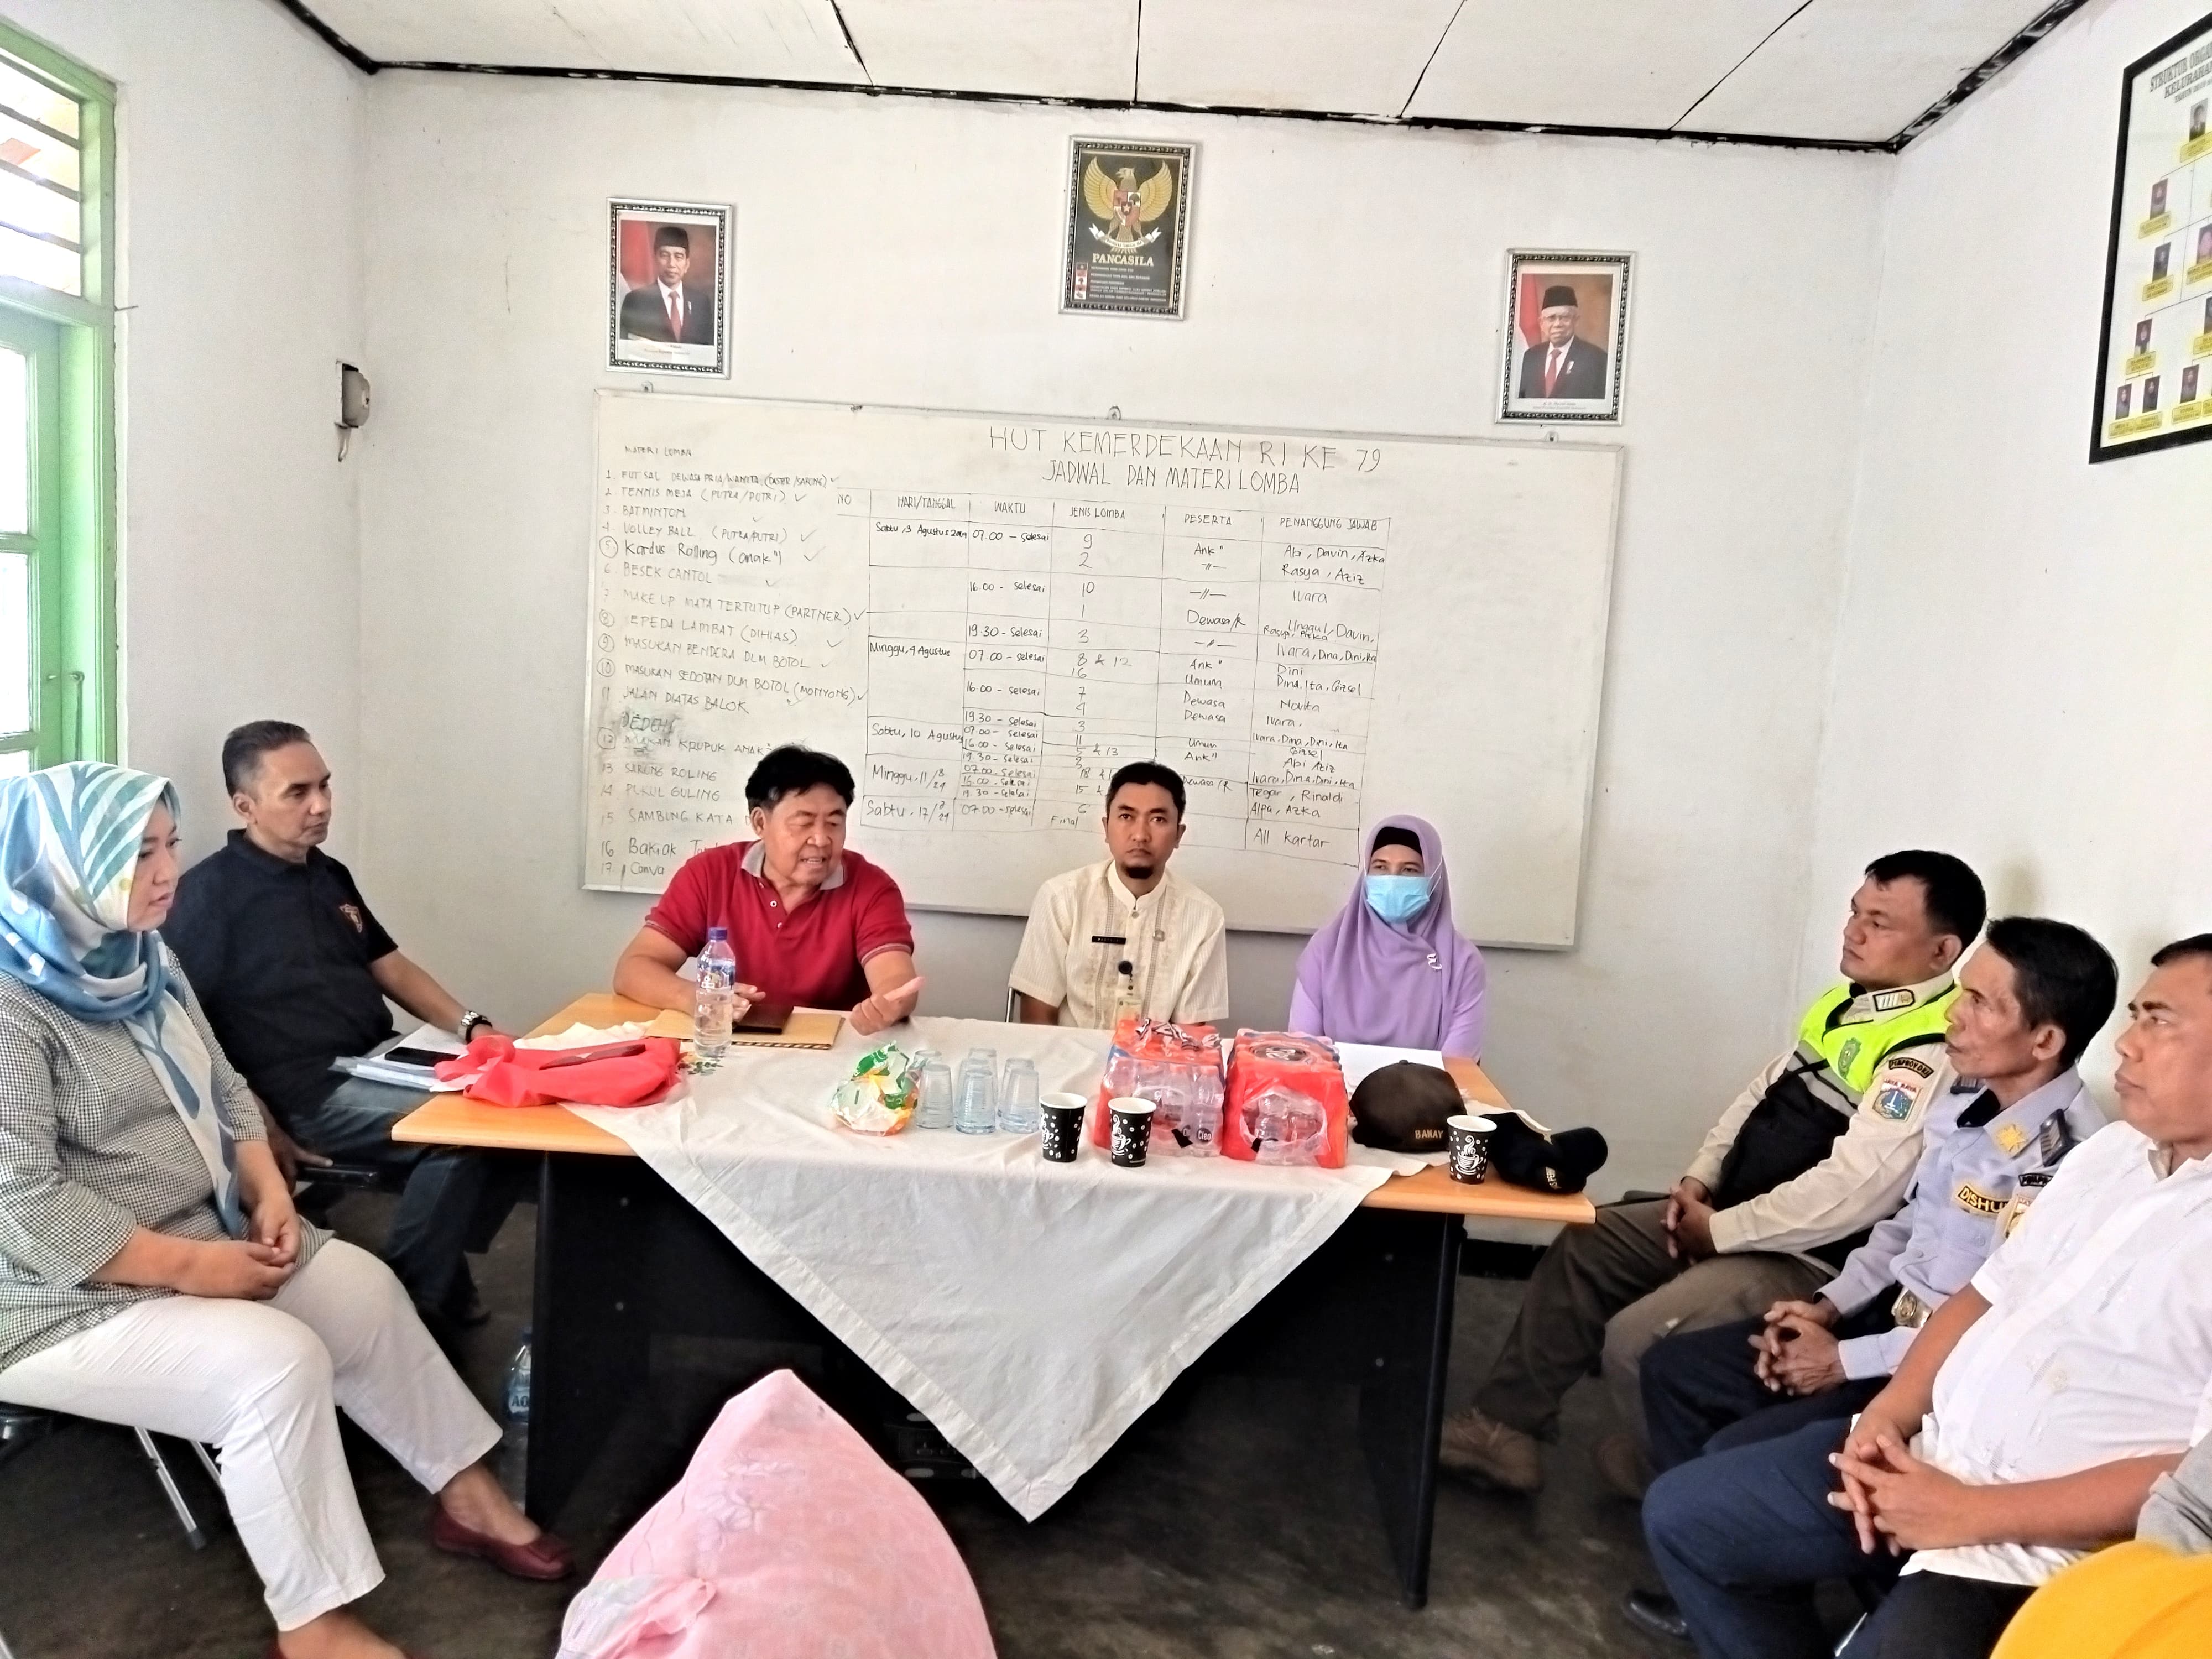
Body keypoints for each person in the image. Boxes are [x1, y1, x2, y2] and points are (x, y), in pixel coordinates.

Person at [0, 764, 569, 1659]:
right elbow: (21, 1203)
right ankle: (314, 1629)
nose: (167, 871)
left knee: (363, 1291)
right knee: (274, 1367)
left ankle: (466, 1495)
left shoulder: (142, 959)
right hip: (58, 1295)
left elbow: (225, 1084)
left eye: (169, 845)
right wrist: (195, 1268)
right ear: (62, 869)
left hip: (200, 1231)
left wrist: (266, 1187)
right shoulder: (12, 1005)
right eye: (138, 854)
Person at [1642, 933, 2212, 1659]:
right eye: (2134, 1016)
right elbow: (1980, 1293)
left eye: (2159, 1021)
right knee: (1689, 1516)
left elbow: (2194, 1484)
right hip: (1929, 1446)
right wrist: (1883, 1420)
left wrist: (1965, 1511)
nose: (2126, 1044)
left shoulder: (2066, 1145)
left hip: (2035, 1547)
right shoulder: (2113, 1156)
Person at [1439, 851, 1985, 1499]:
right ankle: (1503, 1430)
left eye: (1879, 922)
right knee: (1592, 1240)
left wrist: (1720, 1230)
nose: (1852, 931)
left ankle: (1671, 1479)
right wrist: (1699, 1181)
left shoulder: (1926, 1049)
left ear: (1941, 950)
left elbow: (1852, 1193)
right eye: (1853, 912)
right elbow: (1761, 1094)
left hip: (1804, 1257)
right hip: (1735, 1213)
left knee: (1635, 1341)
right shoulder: (1852, 1004)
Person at [165, 722, 520, 1332]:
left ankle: (431, 1278)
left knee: (516, 1105)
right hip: (308, 1092)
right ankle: (409, 1309)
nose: (321, 805)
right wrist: (256, 1123)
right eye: (297, 792)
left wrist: (473, 1027)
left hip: (381, 1061)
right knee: (466, 1135)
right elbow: (183, 1028)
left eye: (325, 786)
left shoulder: (327, 873)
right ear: (245, 806)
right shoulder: (208, 896)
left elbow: (390, 965)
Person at [615, 744, 922, 1035]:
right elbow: (634, 968)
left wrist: (888, 1004)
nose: (821, 839)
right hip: (728, 1041)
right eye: (804, 823)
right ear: (760, 823)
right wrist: (697, 998)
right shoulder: (709, 874)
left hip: (830, 1049)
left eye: (833, 823)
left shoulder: (872, 887)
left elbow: (895, 979)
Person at [1011, 761, 1227, 1029]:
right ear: (1106, 827)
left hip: (1155, 1056)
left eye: (1158, 820)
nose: (1140, 835)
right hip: (1070, 1053)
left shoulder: (1205, 917)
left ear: (1178, 835)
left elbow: (1190, 1035)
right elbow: (1037, 1021)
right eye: (1126, 816)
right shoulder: (1061, 898)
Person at [1286, 816, 1486, 1056]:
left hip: (1426, 1082)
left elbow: (1458, 1066)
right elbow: (1304, 1052)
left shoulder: (1462, 963)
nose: (1393, 881)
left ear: (1434, 878)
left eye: (1409, 870)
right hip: (1331, 1080)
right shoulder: (1327, 949)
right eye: (1380, 867)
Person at [618, 222, 713, 344]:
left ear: (687, 264)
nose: (671, 264)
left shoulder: (701, 303)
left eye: (678, 257)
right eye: (664, 255)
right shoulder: (635, 301)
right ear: (655, 260)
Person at [1516, 283, 1609, 400]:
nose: (1558, 324)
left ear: (1576, 321)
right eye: (1551, 318)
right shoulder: (1531, 357)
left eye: (1565, 318)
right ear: (1541, 323)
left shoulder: (1596, 359)